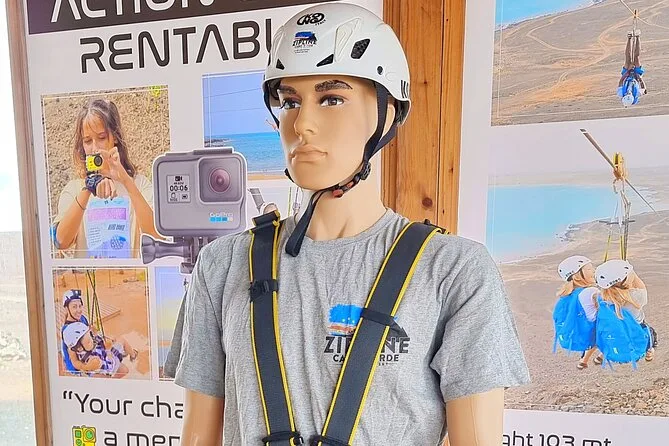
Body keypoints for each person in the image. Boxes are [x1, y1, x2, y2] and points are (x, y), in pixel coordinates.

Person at [169, 4, 530, 445]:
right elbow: (198, 435)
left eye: (331, 99)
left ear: (386, 112)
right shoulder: (222, 265)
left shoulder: (452, 271)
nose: (302, 124)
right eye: (290, 102)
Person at [51, 98, 160, 259]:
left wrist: (125, 180)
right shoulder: (74, 189)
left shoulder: (140, 184)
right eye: (88, 141)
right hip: (90, 276)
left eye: (101, 138)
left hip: (130, 275)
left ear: (114, 136)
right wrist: (89, 187)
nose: (95, 148)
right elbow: (61, 241)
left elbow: (156, 235)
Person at [595, 259, 656, 362]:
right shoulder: (636, 297)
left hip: (614, 333)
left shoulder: (601, 297)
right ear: (626, 280)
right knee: (651, 332)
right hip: (634, 330)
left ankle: (604, 352)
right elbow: (639, 284)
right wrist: (629, 268)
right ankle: (649, 350)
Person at [555, 256, 601, 369]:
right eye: (589, 269)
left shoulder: (566, 294)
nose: (594, 271)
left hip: (581, 335)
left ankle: (584, 360)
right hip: (593, 334)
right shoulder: (591, 292)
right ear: (577, 276)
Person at [62, 322, 136, 378]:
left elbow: (95, 339)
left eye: (90, 336)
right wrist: (108, 349)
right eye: (89, 341)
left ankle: (129, 354)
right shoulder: (93, 359)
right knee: (122, 340)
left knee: (124, 370)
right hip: (109, 362)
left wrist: (95, 333)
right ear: (80, 348)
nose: (91, 341)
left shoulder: (83, 346)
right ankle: (133, 355)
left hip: (103, 355)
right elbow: (110, 367)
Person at [617, 30, 647, 107]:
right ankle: (637, 37)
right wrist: (640, 78)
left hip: (625, 77)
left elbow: (621, 81)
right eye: (629, 94)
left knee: (628, 59)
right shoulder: (638, 93)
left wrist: (628, 71)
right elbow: (644, 88)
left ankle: (629, 38)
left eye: (627, 93)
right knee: (636, 58)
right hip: (636, 76)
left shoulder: (620, 93)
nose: (628, 92)